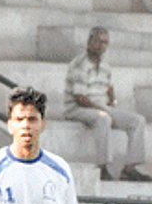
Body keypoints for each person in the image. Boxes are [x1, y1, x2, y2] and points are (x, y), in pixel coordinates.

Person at [63, 26, 150, 181]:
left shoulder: (105, 65)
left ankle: (129, 169)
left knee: (138, 120)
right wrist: (104, 110)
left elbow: (109, 88)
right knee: (104, 118)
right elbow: (80, 98)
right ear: (89, 42)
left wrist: (112, 101)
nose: (101, 46)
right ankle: (103, 168)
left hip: (101, 107)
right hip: (77, 108)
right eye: (98, 41)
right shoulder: (80, 64)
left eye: (105, 42)